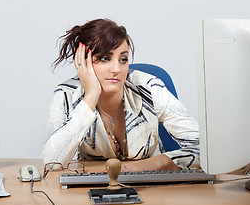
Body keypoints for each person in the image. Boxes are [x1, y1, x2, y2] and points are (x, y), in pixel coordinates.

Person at [42, 18, 200, 172]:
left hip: (151, 184)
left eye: (123, 59)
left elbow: (205, 147)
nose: (116, 69)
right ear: (83, 62)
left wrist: (154, 164)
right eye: (104, 58)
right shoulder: (66, 94)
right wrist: (90, 97)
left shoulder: (149, 88)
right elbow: (52, 163)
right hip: (92, 186)